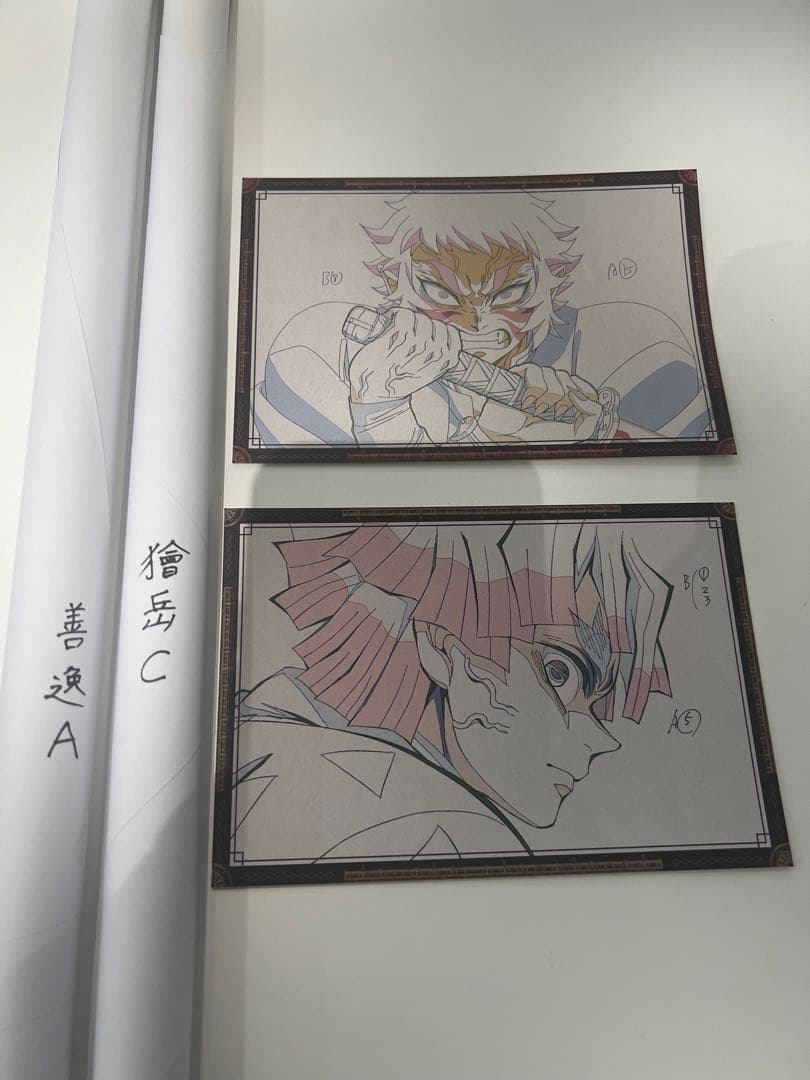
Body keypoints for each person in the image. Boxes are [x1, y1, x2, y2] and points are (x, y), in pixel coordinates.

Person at [234, 520, 673, 862]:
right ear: (443, 649)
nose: (603, 740)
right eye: (560, 673)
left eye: (597, 704)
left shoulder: (266, 741)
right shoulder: (435, 830)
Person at [253, 192, 711, 448]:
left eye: (509, 293)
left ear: (554, 282)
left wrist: (596, 436)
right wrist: (376, 405)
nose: (474, 322)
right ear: (394, 282)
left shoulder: (636, 347)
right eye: (440, 292)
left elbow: (679, 480)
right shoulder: (316, 350)